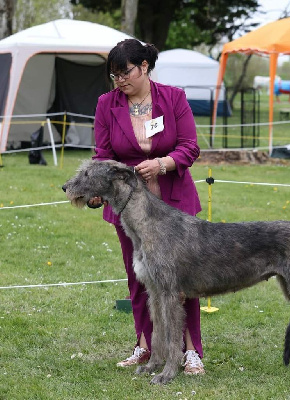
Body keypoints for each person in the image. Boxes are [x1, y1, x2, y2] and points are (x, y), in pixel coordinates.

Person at [89, 38, 204, 375]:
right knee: (139, 277)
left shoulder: (173, 97)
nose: (120, 81)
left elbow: (190, 146)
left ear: (144, 67)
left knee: (184, 278)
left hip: (174, 203)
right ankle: (145, 345)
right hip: (129, 209)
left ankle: (190, 350)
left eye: (125, 73)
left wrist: (163, 163)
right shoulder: (106, 104)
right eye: (114, 76)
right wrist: (97, 188)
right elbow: (103, 154)